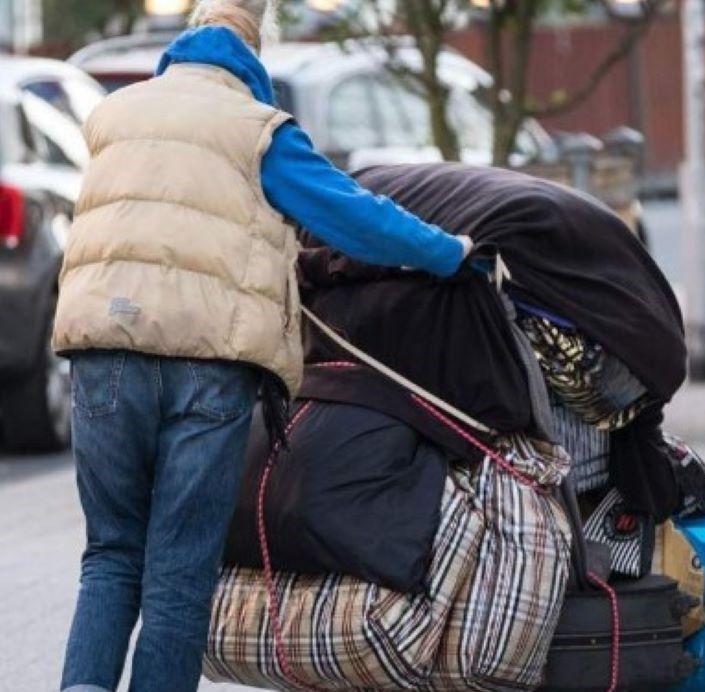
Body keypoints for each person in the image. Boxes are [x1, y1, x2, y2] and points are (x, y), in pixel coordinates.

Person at [54, 1, 472, 690]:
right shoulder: (258, 130)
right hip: (208, 365)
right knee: (180, 569)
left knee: (110, 555)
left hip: (103, 351)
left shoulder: (114, 116)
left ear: (179, 48)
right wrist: (448, 253)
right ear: (251, 62)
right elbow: (354, 216)